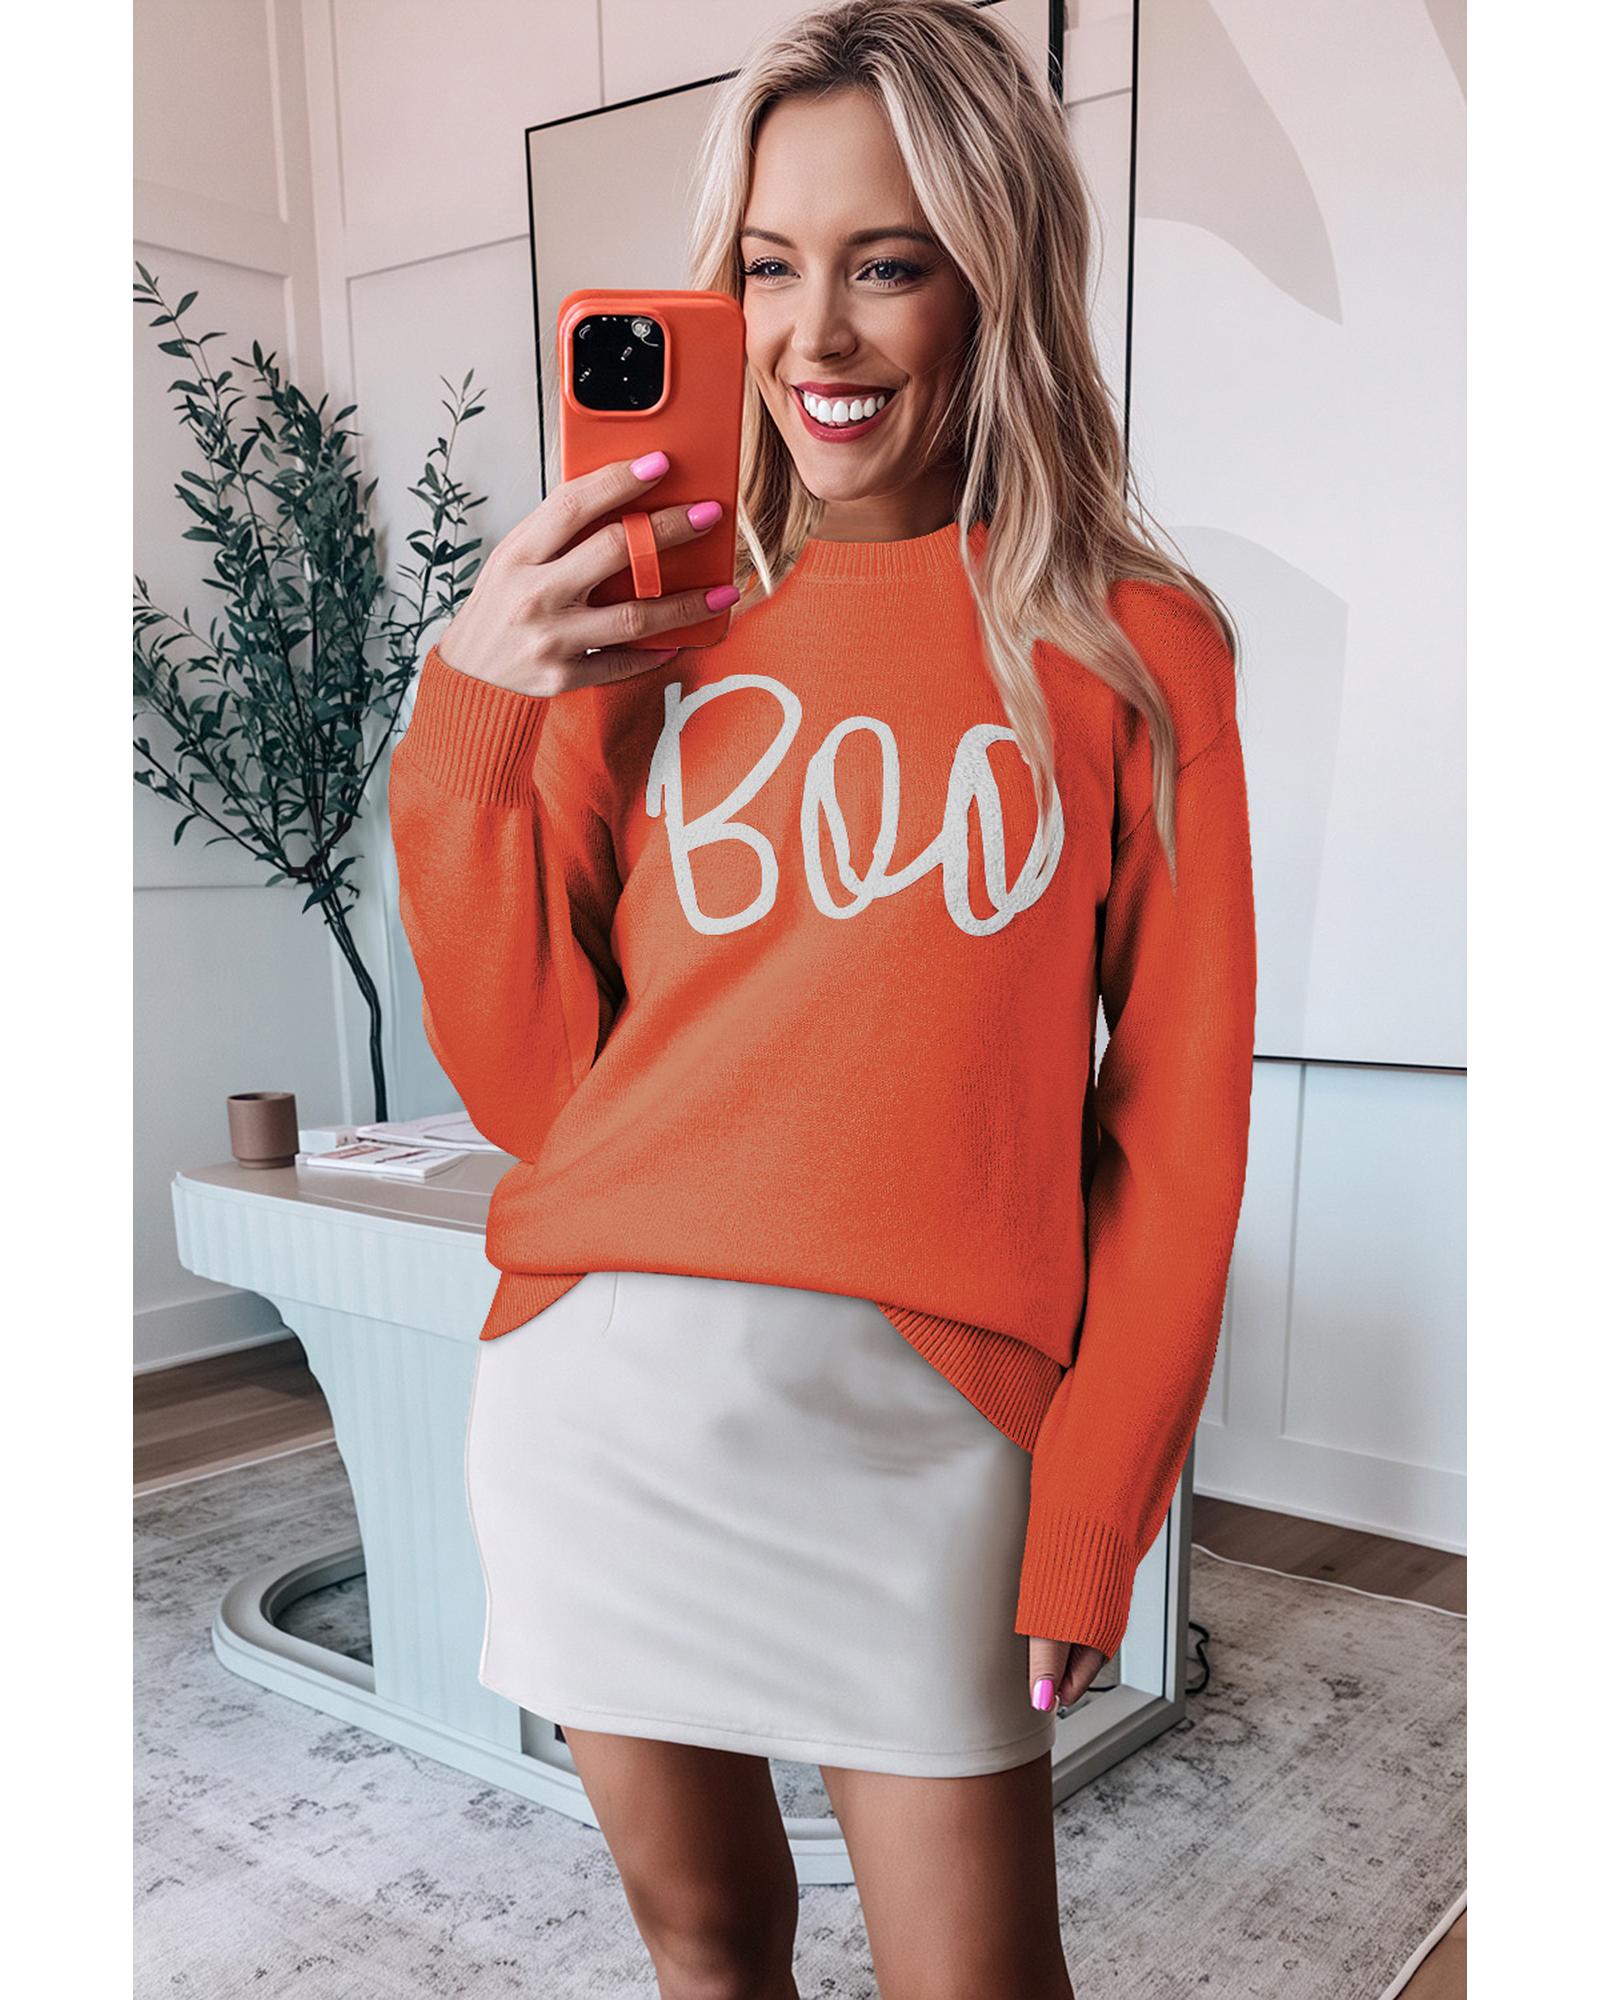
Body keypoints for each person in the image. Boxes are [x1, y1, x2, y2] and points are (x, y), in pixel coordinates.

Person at [387, 3, 1256, 1994]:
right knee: (712, 1947)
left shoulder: (1137, 647)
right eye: (769, 269)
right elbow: (533, 1086)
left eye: (889, 264)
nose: (815, 339)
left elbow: (1177, 1126)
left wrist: (1092, 1506)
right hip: (603, 1399)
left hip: (927, 1433)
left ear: (997, 276)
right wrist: (475, 710)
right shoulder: (645, 613)